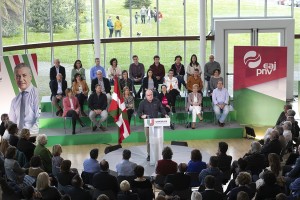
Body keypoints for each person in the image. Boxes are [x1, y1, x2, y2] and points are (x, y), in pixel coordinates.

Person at [138, 89, 168, 161]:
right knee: (148, 140)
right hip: (148, 124)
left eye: (151, 94)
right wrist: (142, 116)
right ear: (146, 96)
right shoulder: (142, 103)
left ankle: (158, 153)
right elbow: (139, 113)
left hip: (156, 123)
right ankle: (149, 154)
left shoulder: (157, 101)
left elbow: (161, 108)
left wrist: (166, 114)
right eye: (148, 95)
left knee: (158, 139)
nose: (150, 96)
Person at [9, 63, 39, 132]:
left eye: (24, 75)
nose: (21, 79)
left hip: (33, 137)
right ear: (15, 79)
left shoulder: (36, 94)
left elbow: (39, 120)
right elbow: (11, 124)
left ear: (30, 77)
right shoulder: (14, 101)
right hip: (18, 138)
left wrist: (25, 135)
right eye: (18, 76)